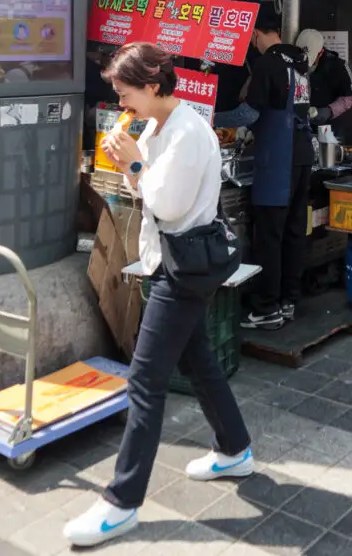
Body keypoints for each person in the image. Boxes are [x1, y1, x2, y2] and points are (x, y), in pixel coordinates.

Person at [64, 43, 252, 549]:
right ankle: (234, 447)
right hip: (170, 262)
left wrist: (135, 165)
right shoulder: (156, 126)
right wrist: (129, 163)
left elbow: (166, 204)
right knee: (199, 362)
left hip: (184, 269)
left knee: (145, 382)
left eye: (125, 92)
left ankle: (120, 503)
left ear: (151, 86)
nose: (121, 102)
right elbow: (145, 190)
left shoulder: (188, 132)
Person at [215, 11, 312, 329]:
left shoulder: (268, 63)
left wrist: (207, 117)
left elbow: (248, 114)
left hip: (277, 160)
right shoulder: (300, 63)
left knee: (269, 235)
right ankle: (289, 300)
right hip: (301, 157)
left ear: (256, 34)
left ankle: (267, 308)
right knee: (293, 232)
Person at [295, 28, 352, 128]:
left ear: (320, 52)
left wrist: (330, 110)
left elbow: (351, 96)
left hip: (327, 129)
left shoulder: (338, 65)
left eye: (311, 58)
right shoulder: (290, 62)